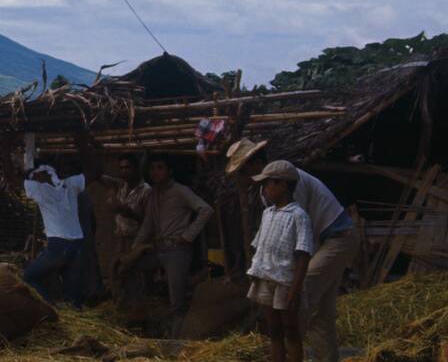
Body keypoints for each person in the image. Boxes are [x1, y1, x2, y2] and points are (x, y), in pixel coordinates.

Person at [226, 138, 356, 362]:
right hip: (324, 240)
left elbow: (298, 236)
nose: (244, 176)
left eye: (244, 169)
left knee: (297, 300)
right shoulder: (267, 193)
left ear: (256, 162)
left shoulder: (288, 178)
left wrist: (287, 275)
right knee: (320, 315)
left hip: (336, 238)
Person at [121, 155, 214, 337]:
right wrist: (134, 249)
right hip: (160, 249)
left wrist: (188, 235)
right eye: (153, 168)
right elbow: (148, 224)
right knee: (128, 267)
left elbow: (206, 210)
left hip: (177, 251)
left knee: (176, 301)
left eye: (160, 167)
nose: (155, 172)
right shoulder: (155, 193)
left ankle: (175, 341)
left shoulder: (180, 191)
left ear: (169, 171)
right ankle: (139, 312)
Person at [247, 161, 314, 362]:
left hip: (285, 281)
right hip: (265, 277)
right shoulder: (267, 213)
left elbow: (303, 254)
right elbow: (259, 245)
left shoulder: (298, 216)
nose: (264, 190)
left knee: (290, 329)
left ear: (283, 185)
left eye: (267, 185)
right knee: (273, 329)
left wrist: (296, 287)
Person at [22, 158, 88, 308]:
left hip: (58, 246)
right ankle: (74, 311)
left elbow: (14, 178)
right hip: (77, 245)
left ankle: (51, 307)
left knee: (29, 276)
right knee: (72, 289)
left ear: (40, 175)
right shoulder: (70, 184)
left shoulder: (39, 189)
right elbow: (94, 173)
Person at [103, 154, 151, 285]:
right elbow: (101, 178)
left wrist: (128, 212)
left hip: (137, 238)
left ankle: (138, 301)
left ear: (136, 169)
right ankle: (123, 301)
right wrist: (111, 193)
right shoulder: (121, 185)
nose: (124, 171)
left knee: (135, 272)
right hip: (121, 236)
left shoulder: (146, 190)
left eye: (128, 167)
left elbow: (149, 220)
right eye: (121, 168)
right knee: (119, 272)